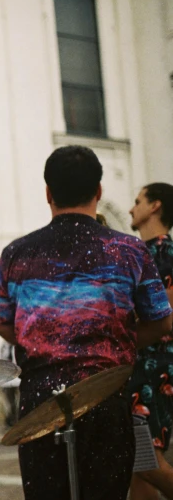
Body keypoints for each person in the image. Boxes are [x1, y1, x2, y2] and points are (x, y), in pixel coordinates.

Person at [0, 145, 173, 500]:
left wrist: (45, 341)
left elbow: (0, 323)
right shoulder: (130, 249)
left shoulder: (16, 253)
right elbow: (161, 324)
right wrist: (114, 345)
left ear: (48, 193)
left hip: (40, 402)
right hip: (107, 394)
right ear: (99, 192)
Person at [127, 182, 173, 500]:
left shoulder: (164, 251)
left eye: (137, 201)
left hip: (156, 364)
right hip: (143, 362)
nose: (131, 208)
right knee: (136, 466)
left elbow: (167, 311)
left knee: (145, 460)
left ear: (154, 206)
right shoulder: (143, 251)